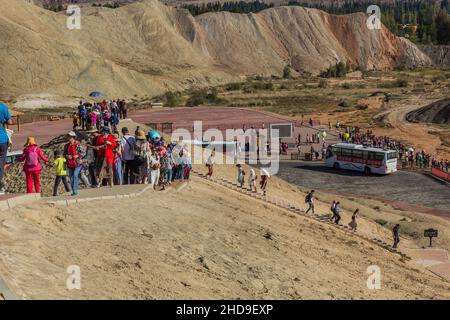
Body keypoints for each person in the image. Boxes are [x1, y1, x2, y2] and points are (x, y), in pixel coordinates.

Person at [0, 101, 13, 195]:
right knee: (1, 163)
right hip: (1, 140)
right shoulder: (2, 107)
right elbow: (10, 121)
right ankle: (0, 187)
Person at [64, 131, 82, 196]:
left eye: (70, 137)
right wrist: (67, 156)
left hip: (77, 163)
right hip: (70, 164)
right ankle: (74, 190)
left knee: (75, 175)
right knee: (71, 178)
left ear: (73, 137)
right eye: (68, 137)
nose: (69, 138)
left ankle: (75, 191)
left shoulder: (78, 144)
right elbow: (64, 154)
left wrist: (78, 155)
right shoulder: (66, 146)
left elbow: (83, 152)